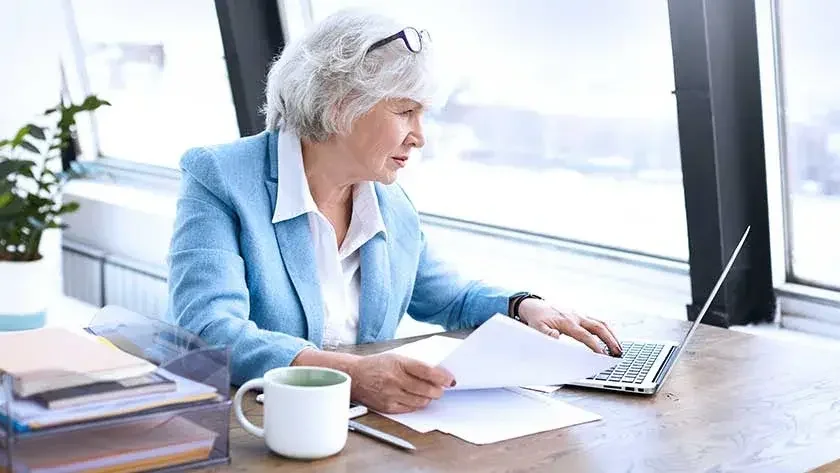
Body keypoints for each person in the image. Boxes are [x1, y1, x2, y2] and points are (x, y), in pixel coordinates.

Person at [166, 8, 622, 415]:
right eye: (406, 111)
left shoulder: (388, 201)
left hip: (360, 436)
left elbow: (448, 296)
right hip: (259, 430)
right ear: (341, 106)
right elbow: (209, 331)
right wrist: (348, 376)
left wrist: (524, 306)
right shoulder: (220, 176)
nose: (420, 136)